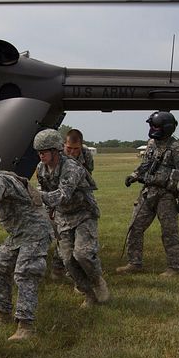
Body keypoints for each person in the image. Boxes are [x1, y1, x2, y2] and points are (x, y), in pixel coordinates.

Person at [0, 145, 52, 341]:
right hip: (19, 234)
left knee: (25, 272)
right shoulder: (5, 176)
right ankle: (3, 313)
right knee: (0, 267)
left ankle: (25, 326)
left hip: (34, 231)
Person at [33, 129, 109, 309]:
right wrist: (48, 209)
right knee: (68, 260)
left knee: (82, 254)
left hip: (84, 214)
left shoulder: (71, 167)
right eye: (38, 152)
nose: (41, 155)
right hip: (63, 216)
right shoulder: (40, 168)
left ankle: (98, 281)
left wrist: (35, 195)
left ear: (56, 150)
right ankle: (88, 294)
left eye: (44, 151)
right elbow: (45, 190)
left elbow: (62, 195)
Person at [117, 111, 179, 277]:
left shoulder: (176, 148)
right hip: (147, 193)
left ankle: (175, 267)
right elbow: (145, 165)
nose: (152, 129)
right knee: (135, 227)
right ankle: (134, 263)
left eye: (155, 126)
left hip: (166, 195)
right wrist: (133, 176)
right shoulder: (151, 143)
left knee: (169, 232)